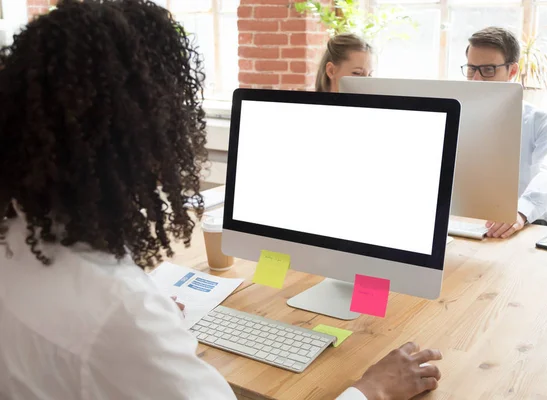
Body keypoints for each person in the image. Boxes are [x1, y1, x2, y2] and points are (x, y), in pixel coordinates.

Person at [0, 1, 443, 399]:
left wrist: (153, 326)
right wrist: (371, 390)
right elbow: (111, 329)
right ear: (143, 133)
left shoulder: (21, 241)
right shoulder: (119, 315)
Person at [463, 27, 547, 239]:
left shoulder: (542, 120)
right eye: (472, 69)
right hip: (464, 225)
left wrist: (520, 212)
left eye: (488, 70)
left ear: (512, 71)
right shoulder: (457, 113)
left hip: (523, 227)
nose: (477, 80)